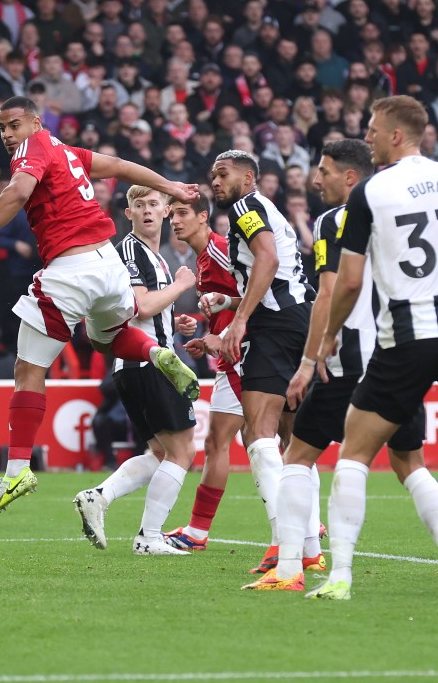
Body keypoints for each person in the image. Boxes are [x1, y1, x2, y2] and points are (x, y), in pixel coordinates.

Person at [0, 96, 200, 518]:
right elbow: (119, 165)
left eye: (13, 125)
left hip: (72, 267)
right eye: (1, 128)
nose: (8, 135)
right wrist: (171, 186)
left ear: (34, 122)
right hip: (108, 261)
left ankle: (17, 470)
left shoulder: (33, 149)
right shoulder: (66, 151)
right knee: (107, 337)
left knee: (28, 369)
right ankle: (155, 351)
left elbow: (17, 191)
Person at [307, 97, 438, 600]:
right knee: (410, 459)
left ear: (397, 136)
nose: (368, 137)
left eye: (374, 129)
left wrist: (328, 337)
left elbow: (349, 281)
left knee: (354, 453)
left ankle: (338, 576)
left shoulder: (373, 191)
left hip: (407, 336)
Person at [238, 140, 377, 589]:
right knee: (408, 464)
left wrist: (309, 360)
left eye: (324, 171)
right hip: (396, 352)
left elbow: (332, 292)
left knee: (296, 454)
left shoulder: (335, 220)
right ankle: (321, 564)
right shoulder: (391, 212)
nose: (316, 180)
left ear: (349, 176)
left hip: (344, 352)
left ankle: (296, 567)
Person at [190, 149, 315, 574]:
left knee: (259, 433)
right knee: (293, 439)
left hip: (275, 327)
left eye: (223, 174)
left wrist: (239, 321)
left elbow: (268, 260)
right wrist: (230, 301)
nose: (216, 182)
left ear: (248, 178)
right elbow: (277, 276)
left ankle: (286, 548)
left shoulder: (246, 206)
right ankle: (311, 546)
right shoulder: (266, 210)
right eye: (213, 175)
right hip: (298, 319)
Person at [73, 186, 199, 555]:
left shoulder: (154, 257)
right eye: (138, 205)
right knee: (182, 452)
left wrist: (176, 323)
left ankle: (99, 496)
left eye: (153, 204)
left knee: (161, 454)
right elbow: (142, 306)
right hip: (147, 365)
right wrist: (179, 286)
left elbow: (143, 312)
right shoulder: (130, 250)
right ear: (128, 214)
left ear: (166, 211)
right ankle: (149, 537)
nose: (146, 211)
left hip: (141, 363)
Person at [163, 195, 245, 551]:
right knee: (225, 443)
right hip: (232, 354)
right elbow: (228, 305)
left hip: (248, 353)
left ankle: (303, 528)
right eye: (172, 215)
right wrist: (199, 329)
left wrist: (222, 335)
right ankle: (196, 532)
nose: (175, 221)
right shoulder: (201, 259)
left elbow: (263, 295)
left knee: (264, 441)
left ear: (203, 217)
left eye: (183, 214)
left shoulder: (221, 250)